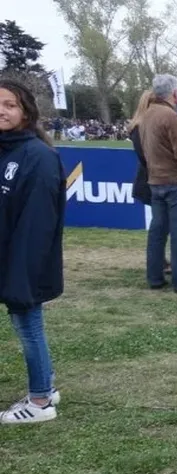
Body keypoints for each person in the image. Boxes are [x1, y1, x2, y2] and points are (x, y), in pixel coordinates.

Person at [0, 79, 67, 424]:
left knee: (28, 325)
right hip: (9, 258)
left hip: (24, 263)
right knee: (26, 324)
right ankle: (46, 385)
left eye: (9, 105)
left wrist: (21, 275)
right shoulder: (6, 150)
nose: (2, 110)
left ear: (25, 112)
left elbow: (38, 223)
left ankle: (40, 401)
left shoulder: (38, 156)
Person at [139, 74, 177, 293]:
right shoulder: (171, 117)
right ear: (174, 94)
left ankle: (155, 277)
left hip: (156, 181)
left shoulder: (146, 116)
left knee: (157, 232)